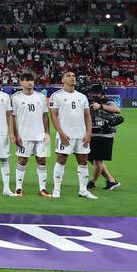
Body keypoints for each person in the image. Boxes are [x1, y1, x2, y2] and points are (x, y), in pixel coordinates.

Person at [49, 70, 96, 199]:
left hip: (81, 135)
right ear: (62, 80)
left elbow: (87, 116)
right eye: (68, 76)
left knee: (83, 161)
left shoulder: (82, 96)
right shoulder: (56, 96)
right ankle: (56, 189)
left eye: (73, 76)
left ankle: (83, 190)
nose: (72, 78)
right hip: (65, 135)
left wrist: (88, 133)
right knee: (61, 159)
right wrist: (60, 133)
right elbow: (53, 115)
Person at [86, 83, 122, 192]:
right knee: (90, 158)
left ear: (102, 93)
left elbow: (117, 110)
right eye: (93, 93)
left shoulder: (108, 102)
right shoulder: (89, 102)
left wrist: (101, 106)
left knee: (97, 161)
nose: (95, 95)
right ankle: (111, 181)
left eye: (97, 93)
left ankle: (93, 182)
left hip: (104, 134)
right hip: (92, 134)